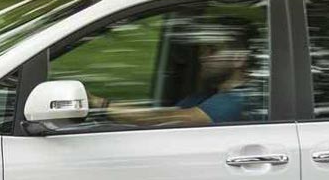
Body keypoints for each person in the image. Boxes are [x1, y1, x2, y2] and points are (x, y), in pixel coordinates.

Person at [89, 18, 256, 128]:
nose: (202, 57)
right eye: (202, 50)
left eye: (212, 50)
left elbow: (168, 119)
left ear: (238, 58)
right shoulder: (203, 97)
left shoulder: (240, 101)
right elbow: (158, 117)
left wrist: (100, 105)